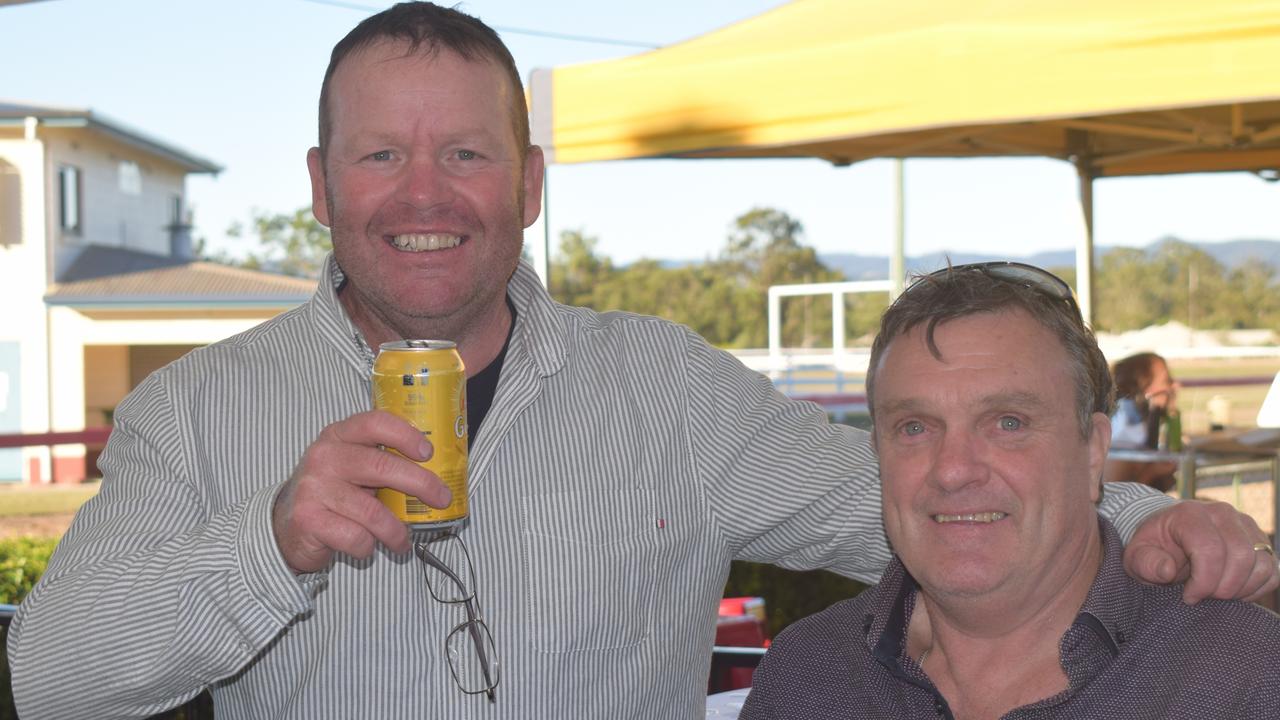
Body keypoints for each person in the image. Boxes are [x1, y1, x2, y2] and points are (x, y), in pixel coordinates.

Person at [6, 5, 1276, 718]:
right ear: (320, 185)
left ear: (531, 182)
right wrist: (270, 543)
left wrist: (1145, 517)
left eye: (467, 152)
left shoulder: (667, 387)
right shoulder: (200, 407)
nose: (423, 193)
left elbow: (913, 497)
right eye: (380, 154)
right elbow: (50, 680)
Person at [740, 262, 1280, 720]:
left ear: (1093, 449)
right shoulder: (809, 676)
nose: (953, 471)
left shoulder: (1240, 677)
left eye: (1008, 422)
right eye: (914, 427)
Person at [1105, 351, 1180, 491]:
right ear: (1144, 389)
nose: (1175, 386)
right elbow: (1110, 501)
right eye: (1167, 381)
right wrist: (1151, 472)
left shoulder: (1142, 426)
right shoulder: (1123, 432)